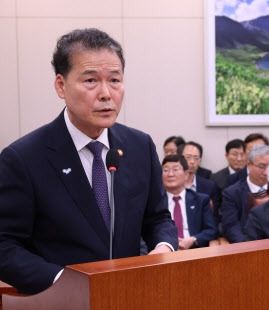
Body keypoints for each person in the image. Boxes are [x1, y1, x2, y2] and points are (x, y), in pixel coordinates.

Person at [0, 28, 178, 295]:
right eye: (91, 81)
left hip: (133, 299)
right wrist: (63, 282)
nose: (106, 93)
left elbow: (157, 218)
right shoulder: (23, 158)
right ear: (61, 85)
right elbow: (5, 244)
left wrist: (163, 248)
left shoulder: (140, 146)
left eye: (115, 80)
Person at [222, 145, 269, 243]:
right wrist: (246, 247)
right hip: (246, 245)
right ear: (249, 165)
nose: (266, 172)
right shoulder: (232, 193)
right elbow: (231, 226)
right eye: (262, 166)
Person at [162, 155, 218, 248]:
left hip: (194, 251)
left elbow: (211, 230)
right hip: (164, 251)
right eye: (166, 170)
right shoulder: (155, 202)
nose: (170, 174)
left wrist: (193, 240)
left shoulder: (200, 200)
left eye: (175, 170)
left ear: (186, 174)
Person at [179, 142, 219, 215]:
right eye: (188, 157)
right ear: (179, 158)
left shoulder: (209, 186)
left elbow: (214, 217)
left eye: (196, 158)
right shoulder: (170, 184)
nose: (192, 162)